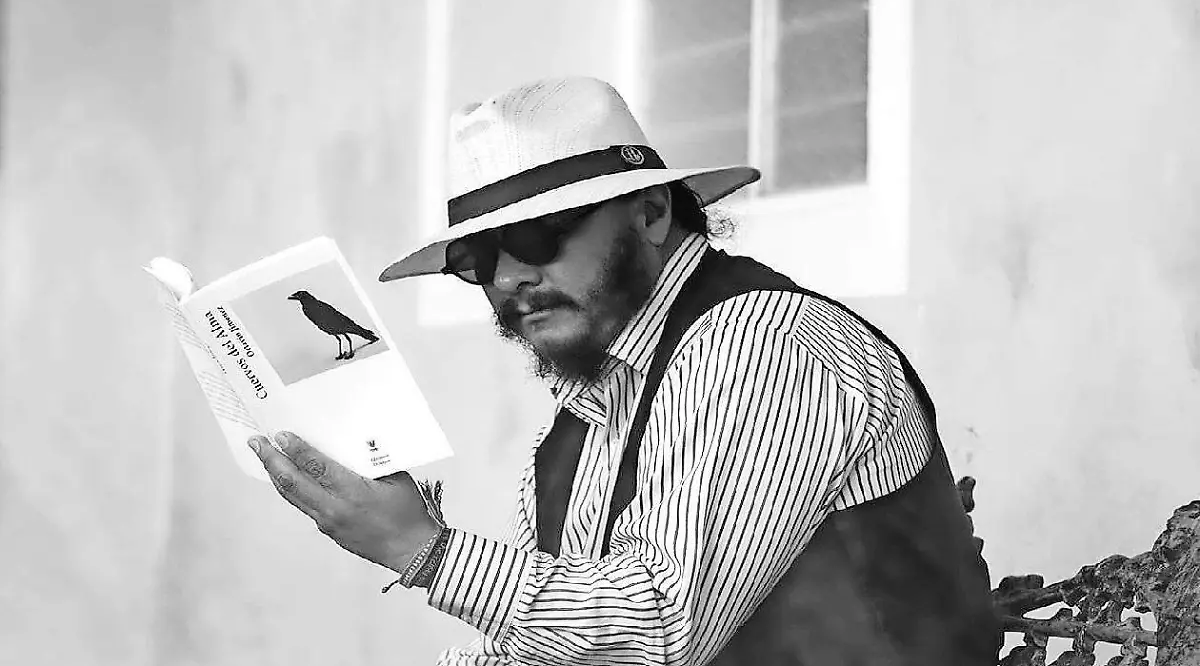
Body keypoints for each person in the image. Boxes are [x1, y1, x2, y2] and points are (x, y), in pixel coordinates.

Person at [248, 76, 1002, 665]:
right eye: (476, 258)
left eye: (538, 235)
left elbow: (663, 630)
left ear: (650, 213)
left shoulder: (764, 343)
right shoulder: (588, 410)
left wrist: (427, 552)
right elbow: (563, 645)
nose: (508, 277)